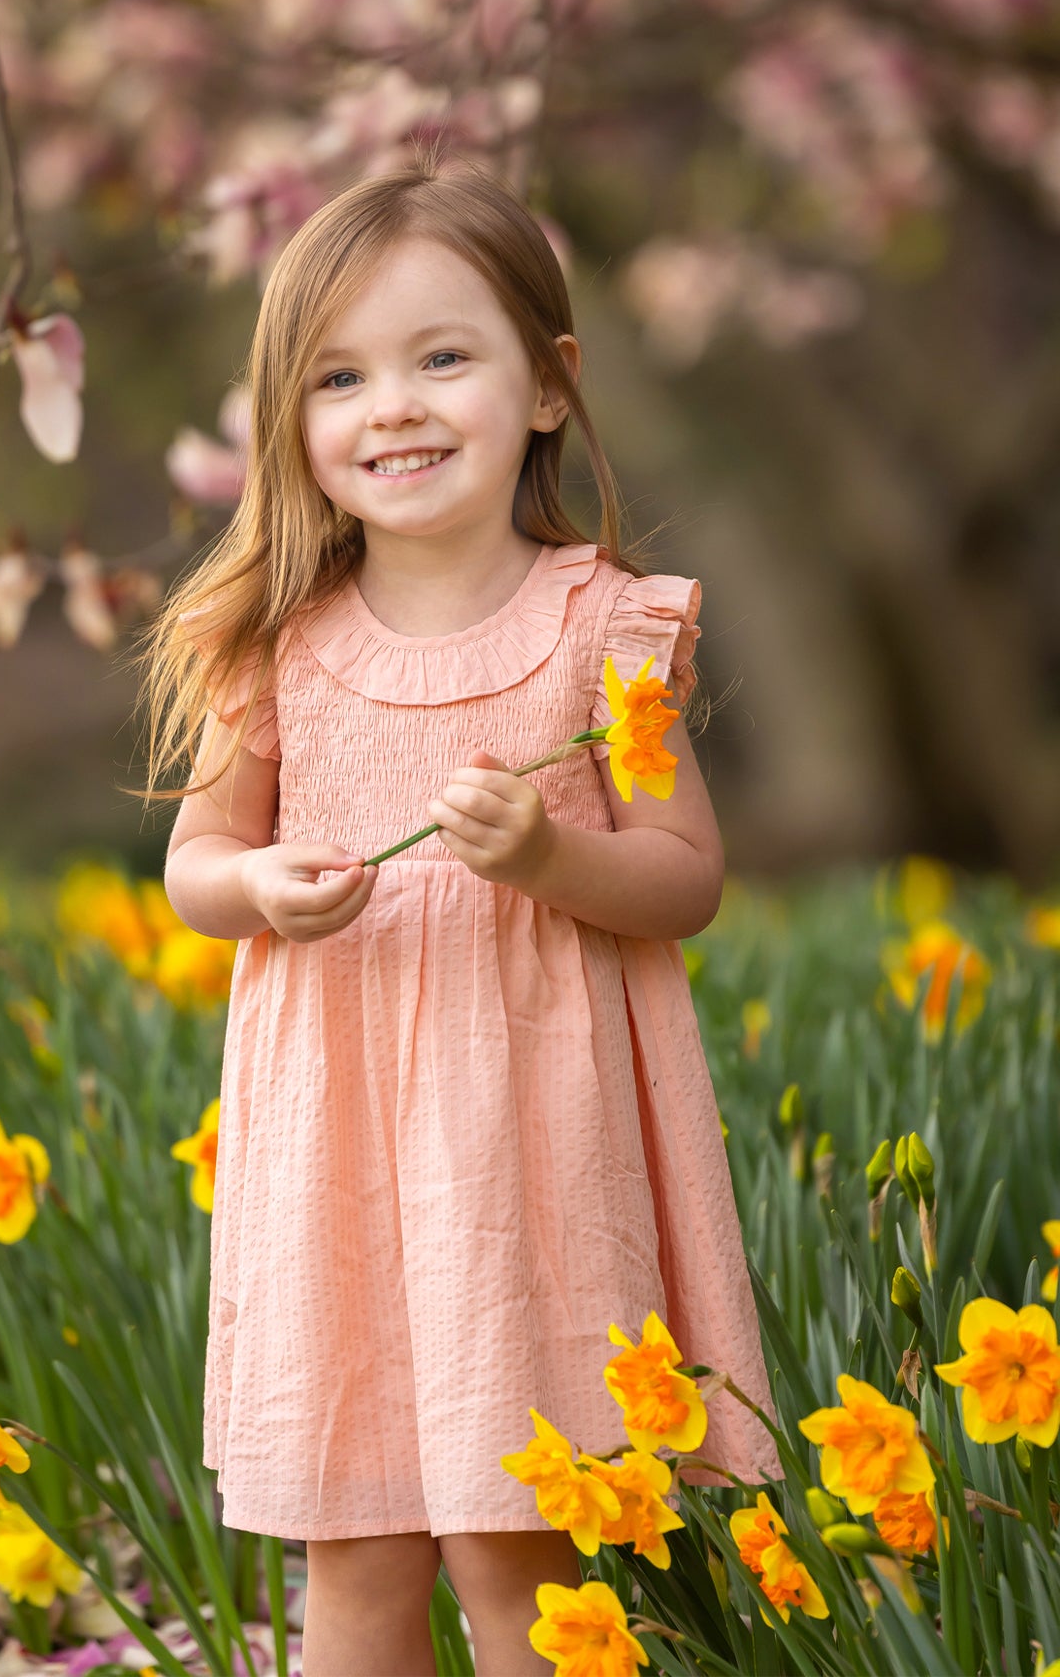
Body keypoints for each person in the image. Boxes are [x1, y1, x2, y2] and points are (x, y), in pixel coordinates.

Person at [136, 149, 779, 1677]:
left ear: (549, 385)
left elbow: (684, 873)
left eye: (444, 357)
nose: (395, 406)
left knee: (518, 1540)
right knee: (353, 1558)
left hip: (531, 1169)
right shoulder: (270, 644)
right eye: (341, 377)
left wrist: (549, 862)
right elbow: (197, 864)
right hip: (339, 1162)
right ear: (290, 421)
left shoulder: (602, 625)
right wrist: (259, 891)